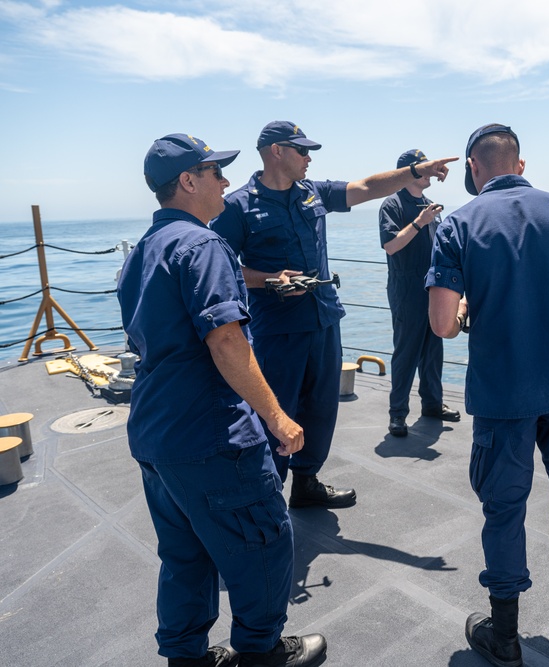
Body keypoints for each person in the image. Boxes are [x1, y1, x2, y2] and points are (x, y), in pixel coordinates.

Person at [119, 134, 326, 667]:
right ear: (188, 181)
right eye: (215, 173)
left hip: (156, 433)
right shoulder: (204, 246)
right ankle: (260, 651)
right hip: (211, 435)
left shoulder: (144, 249)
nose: (226, 182)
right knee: (264, 543)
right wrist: (277, 417)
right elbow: (226, 339)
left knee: (184, 554)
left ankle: (185, 657)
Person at [428, 124, 549, 667]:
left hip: (502, 393)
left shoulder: (457, 225)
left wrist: (465, 316)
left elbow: (441, 323)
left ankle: (505, 634)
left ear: (472, 167)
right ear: (521, 165)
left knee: (504, 509)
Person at [213, 121, 457, 509]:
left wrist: (414, 172)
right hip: (278, 328)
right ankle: (266, 494)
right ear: (276, 151)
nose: (310, 158)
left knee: (321, 406)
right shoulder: (238, 206)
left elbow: (365, 188)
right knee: (277, 409)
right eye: (302, 151)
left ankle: (306, 482)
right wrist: (269, 279)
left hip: (324, 319)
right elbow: (221, 266)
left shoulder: (313, 193)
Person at [379, 149, 461, 437]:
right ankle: (397, 414)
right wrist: (419, 223)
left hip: (432, 287)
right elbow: (390, 246)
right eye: (423, 168)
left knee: (433, 349)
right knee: (406, 351)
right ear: (408, 172)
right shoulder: (392, 205)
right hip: (406, 289)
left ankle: (432, 404)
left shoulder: (429, 205)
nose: (429, 172)